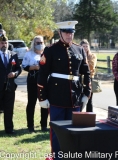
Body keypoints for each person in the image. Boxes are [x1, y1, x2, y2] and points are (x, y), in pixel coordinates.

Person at [37, 21, 91, 160]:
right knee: (57, 131)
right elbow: (42, 74)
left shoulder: (79, 49)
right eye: (66, 32)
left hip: (75, 97)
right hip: (57, 96)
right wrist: (42, 97)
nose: (69, 35)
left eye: (71, 32)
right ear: (60, 33)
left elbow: (86, 73)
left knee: (74, 131)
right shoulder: (50, 50)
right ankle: (58, 157)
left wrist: (87, 92)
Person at [22, 35, 49, 132]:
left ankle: (44, 125)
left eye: (41, 42)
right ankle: (30, 126)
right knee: (31, 103)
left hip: (44, 81)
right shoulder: (29, 54)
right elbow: (24, 67)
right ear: (34, 43)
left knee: (44, 103)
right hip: (33, 81)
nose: (40, 44)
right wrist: (34, 67)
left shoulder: (46, 53)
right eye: (37, 43)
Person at [0, 35, 22, 134]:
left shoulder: (13, 55)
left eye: (5, 43)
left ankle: (9, 129)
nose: (3, 45)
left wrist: (15, 73)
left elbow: (18, 68)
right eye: (1, 43)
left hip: (10, 87)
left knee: (9, 109)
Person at [80, 39, 97, 112]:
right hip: (80, 78)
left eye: (86, 46)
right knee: (80, 98)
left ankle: (89, 117)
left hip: (89, 78)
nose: (85, 48)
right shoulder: (78, 55)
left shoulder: (92, 56)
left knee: (89, 99)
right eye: (83, 46)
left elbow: (91, 67)